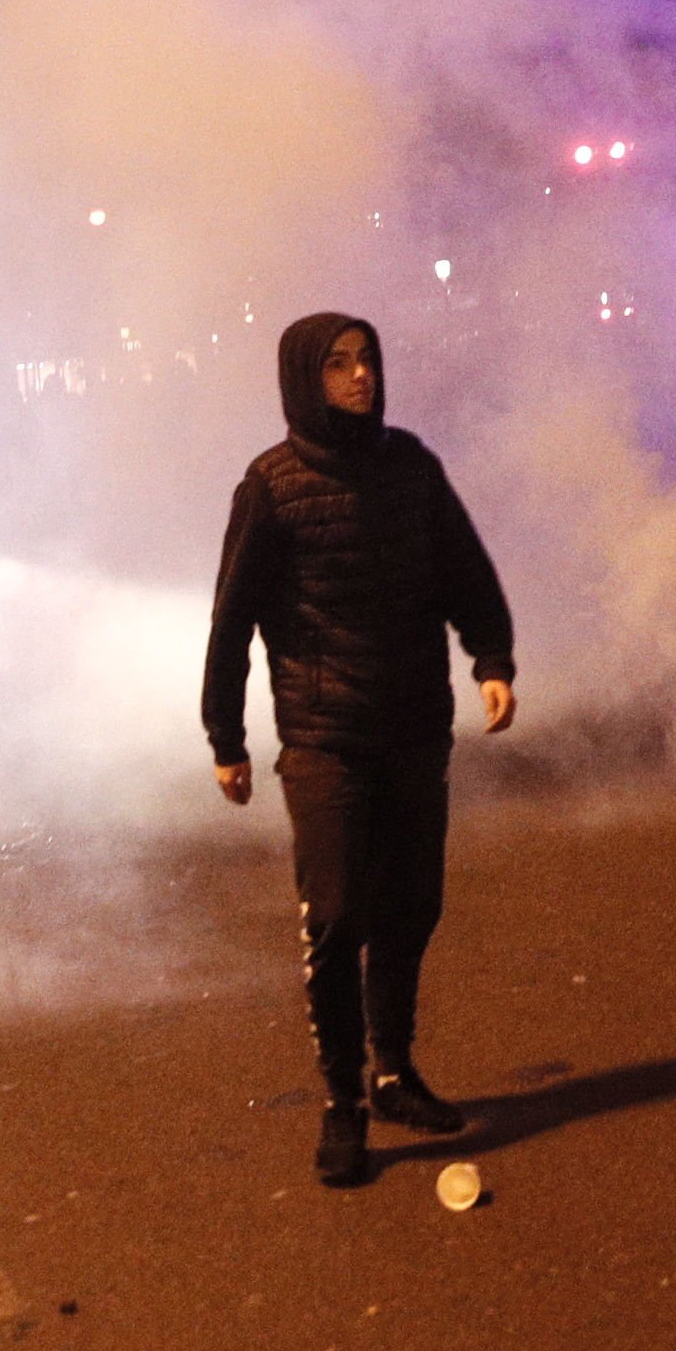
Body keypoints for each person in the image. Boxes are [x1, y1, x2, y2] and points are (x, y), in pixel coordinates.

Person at [203, 311, 516, 1188]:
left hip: (414, 726)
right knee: (338, 918)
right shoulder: (270, 486)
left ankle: (392, 1071)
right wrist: (225, 737)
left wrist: (490, 659)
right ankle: (342, 1103)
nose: (360, 377)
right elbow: (231, 623)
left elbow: (464, 570)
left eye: (368, 360)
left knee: (411, 909)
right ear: (307, 378)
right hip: (325, 739)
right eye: (339, 365)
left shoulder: (411, 466)